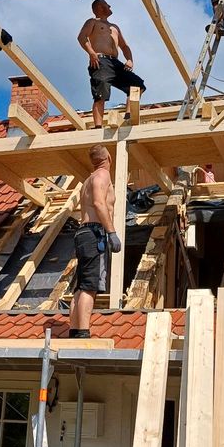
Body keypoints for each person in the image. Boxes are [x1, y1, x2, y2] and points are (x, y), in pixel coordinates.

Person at [69, 145, 121, 338]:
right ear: (108, 157)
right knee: (90, 286)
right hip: (94, 233)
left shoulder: (87, 181)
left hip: (83, 233)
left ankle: (74, 331)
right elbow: (99, 204)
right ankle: (83, 333)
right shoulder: (102, 176)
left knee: (81, 286)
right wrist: (112, 232)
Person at [78, 0, 146, 128]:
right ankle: (98, 127)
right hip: (100, 60)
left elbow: (124, 46)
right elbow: (82, 36)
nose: (109, 5)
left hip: (115, 63)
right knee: (101, 91)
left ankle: (128, 115)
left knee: (137, 84)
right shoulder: (93, 22)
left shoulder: (114, 27)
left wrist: (130, 60)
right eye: (106, 4)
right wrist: (91, 53)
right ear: (99, 7)